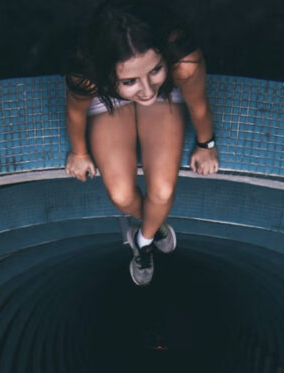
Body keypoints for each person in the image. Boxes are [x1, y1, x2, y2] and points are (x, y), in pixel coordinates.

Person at [63, 0, 219, 286]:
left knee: (162, 191)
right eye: (132, 80)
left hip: (165, 94)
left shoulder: (180, 61)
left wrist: (205, 145)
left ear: (163, 56)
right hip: (108, 96)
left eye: (154, 69)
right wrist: (79, 151)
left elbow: (198, 105)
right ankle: (153, 225)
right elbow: (75, 110)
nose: (146, 90)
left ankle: (143, 240)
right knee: (121, 196)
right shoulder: (89, 72)